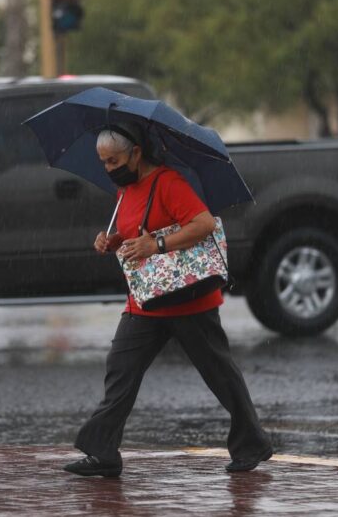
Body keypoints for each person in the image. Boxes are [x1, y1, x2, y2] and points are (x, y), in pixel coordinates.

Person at [63, 125, 272, 478]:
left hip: (188, 299)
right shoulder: (125, 190)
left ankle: (252, 443)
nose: (109, 169)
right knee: (120, 369)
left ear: (136, 154)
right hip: (146, 300)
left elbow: (203, 224)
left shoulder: (168, 183)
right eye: (103, 163)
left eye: (113, 160)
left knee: (220, 375)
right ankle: (103, 451)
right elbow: (136, 234)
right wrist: (113, 242)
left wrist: (156, 246)